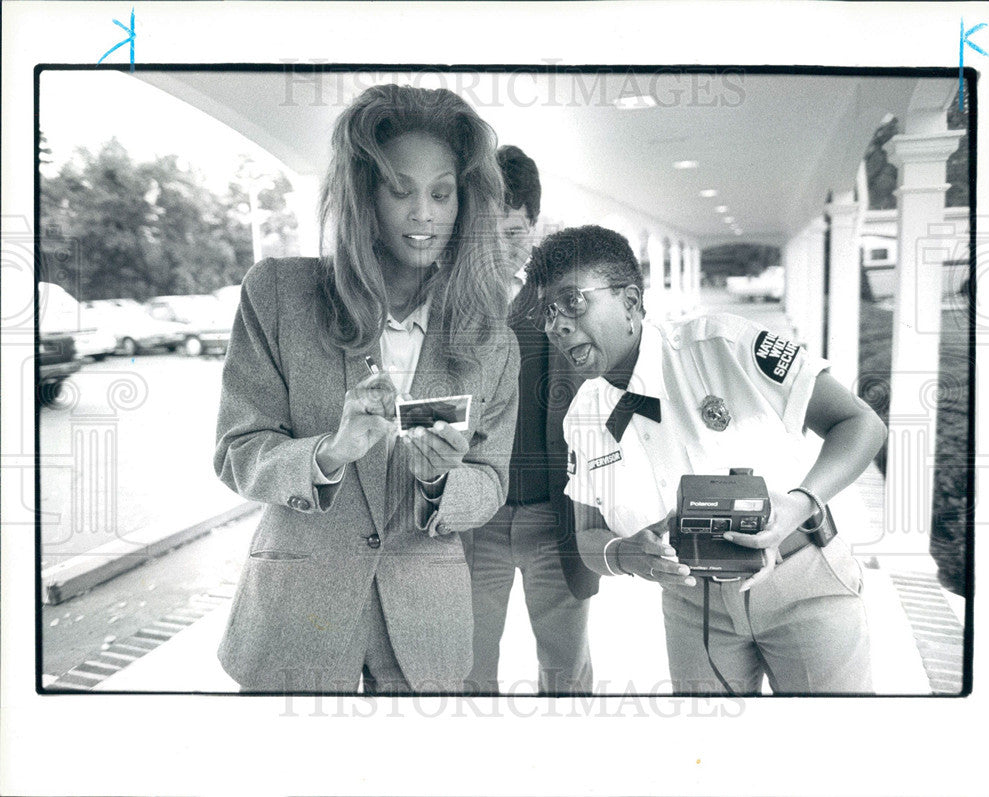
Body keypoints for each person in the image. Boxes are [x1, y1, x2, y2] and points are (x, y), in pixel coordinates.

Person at [214, 84, 519, 694]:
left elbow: (489, 482)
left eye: (442, 193)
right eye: (400, 189)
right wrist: (330, 452)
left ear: (465, 203)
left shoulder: (492, 338)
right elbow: (237, 451)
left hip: (425, 627)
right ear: (364, 196)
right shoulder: (278, 295)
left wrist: (440, 481)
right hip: (295, 616)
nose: (424, 213)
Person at [526, 224, 886, 694]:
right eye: (548, 312)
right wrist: (626, 554)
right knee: (710, 752)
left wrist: (800, 503)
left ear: (631, 303)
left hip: (802, 582)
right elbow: (589, 538)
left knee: (828, 749)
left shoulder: (723, 345)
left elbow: (861, 424)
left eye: (573, 302)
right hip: (691, 606)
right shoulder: (582, 419)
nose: (557, 325)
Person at [461, 146, 598, 695]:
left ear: (536, 225)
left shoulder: (571, 299)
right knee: (466, 671)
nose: (499, 249)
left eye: (513, 233)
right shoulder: (452, 300)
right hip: (478, 519)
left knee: (567, 673)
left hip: (556, 518)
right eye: (487, 233)